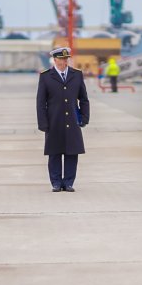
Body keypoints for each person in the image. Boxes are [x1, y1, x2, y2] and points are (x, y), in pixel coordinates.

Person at [36, 47, 89, 192]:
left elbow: (83, 99)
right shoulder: (46, 76)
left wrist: (84, 117)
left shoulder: (76, 75)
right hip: (53, 121)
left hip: (72, 120)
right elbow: (41, 102)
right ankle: (56, 183)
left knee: (72, 152)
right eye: (61, 59)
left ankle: (69, 182)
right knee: (54, 152)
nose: (63, 62)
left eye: (66, 59)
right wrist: (43, 123)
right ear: (55, 60)